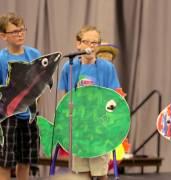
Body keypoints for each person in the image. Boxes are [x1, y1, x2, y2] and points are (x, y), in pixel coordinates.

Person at [58, 25, 122, 180]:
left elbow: (115, 97)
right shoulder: (69, 67)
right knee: (81, 173)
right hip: (78, 129)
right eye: (86, 42)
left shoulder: (107, 68)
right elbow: (64, 98)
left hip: (99, 128)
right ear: (78, 44)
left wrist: (107, 121)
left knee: (100, 172)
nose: (90, 46)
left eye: (94, 43)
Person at [0, 12, 41, 180]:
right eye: (15, 31)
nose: (20, 34)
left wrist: (34, 108)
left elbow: (40, 84)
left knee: (25, 160)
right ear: (3, 36)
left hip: (29, 116)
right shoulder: (2, 59)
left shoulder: (34, 55)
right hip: (7, 117)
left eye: (22, 30)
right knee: (5, 161)